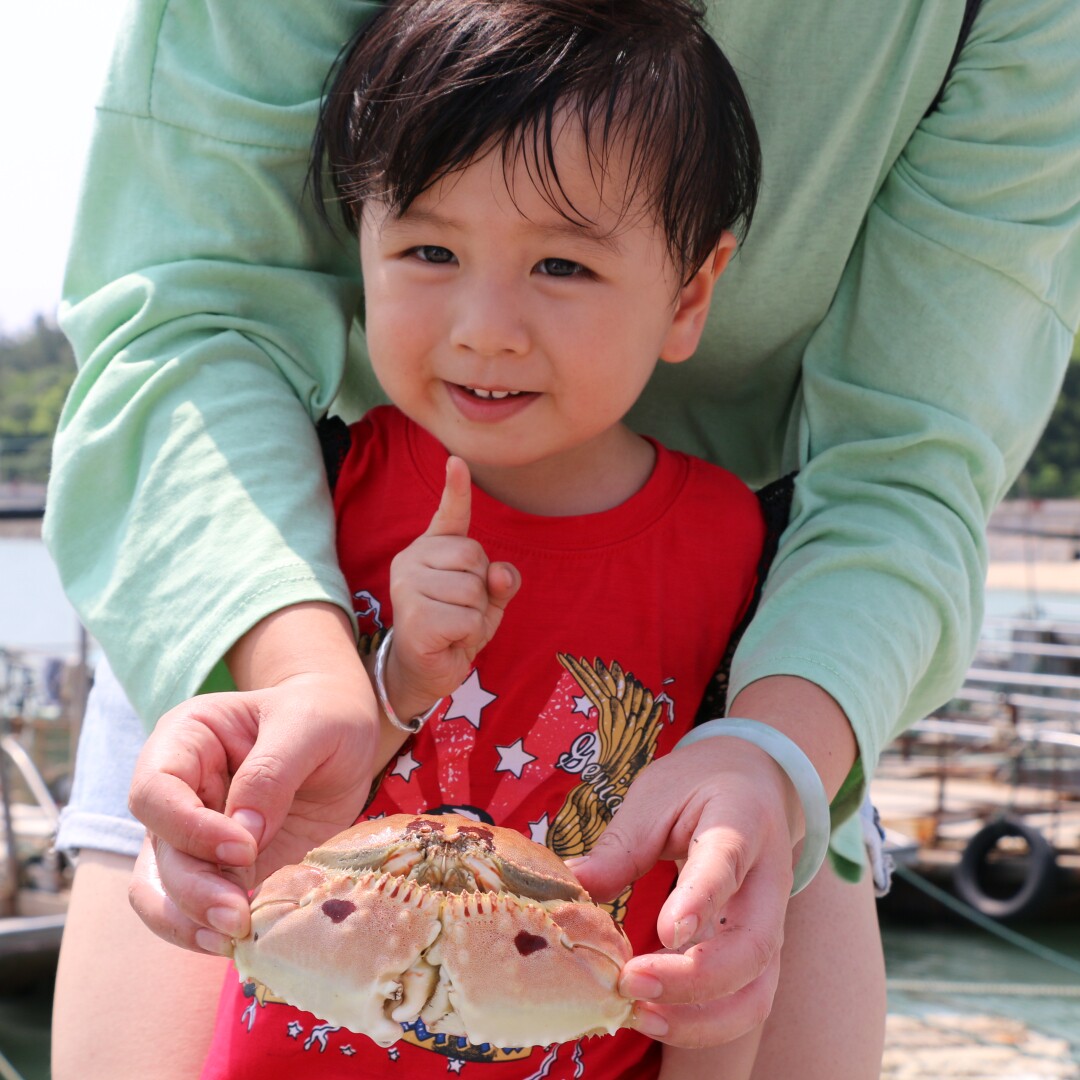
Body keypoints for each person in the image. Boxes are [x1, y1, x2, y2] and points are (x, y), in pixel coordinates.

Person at [46, 0, 1080, 1076]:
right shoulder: (335, 488)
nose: (487, 329)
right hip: (256, 563)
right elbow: (191, 311)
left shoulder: (737, 562)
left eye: (562, 266)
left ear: (695, 292)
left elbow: (908, 457)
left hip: (798, 642)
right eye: (431, 250)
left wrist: (775, 761)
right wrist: (298, 674)